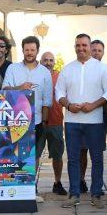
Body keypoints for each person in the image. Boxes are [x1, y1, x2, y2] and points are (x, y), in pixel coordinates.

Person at [56, 34, 107, 208]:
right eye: (78, 45)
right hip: (72, 121)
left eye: (84, 45)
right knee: (73, 159)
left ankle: (96, 194)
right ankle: (74, 194)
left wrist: (94, 105)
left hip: (95, 121)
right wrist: (68, 105)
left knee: (97, 158)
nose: (81, 48)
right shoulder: (67, 69)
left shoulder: (102, 68)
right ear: (74, 47)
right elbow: (59, 92)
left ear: (90, 46)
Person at [2, 35, 53, 203]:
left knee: (34, 156)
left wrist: (44, 123)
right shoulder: (13, 69)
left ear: (37, 51)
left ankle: (31, 188)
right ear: (22, 50)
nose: (29, 53)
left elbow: (47, 100)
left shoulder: (45, 72)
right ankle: (14, 188)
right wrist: (20, 88)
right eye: (26, 50)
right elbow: (5, 90)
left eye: (32, 50)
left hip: (37, 121)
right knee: (14, 155)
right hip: (15, 120)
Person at [39, 51, 67, 196]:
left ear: (54, 62)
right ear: (40, 61)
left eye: (51, 60)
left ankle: (57, 182)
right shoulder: (36, 75)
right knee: (35, 154)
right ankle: (31, 185)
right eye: (45, 60)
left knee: (57, 154)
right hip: (37, 122)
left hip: (55, 121)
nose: (48, 62)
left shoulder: (60, 76)